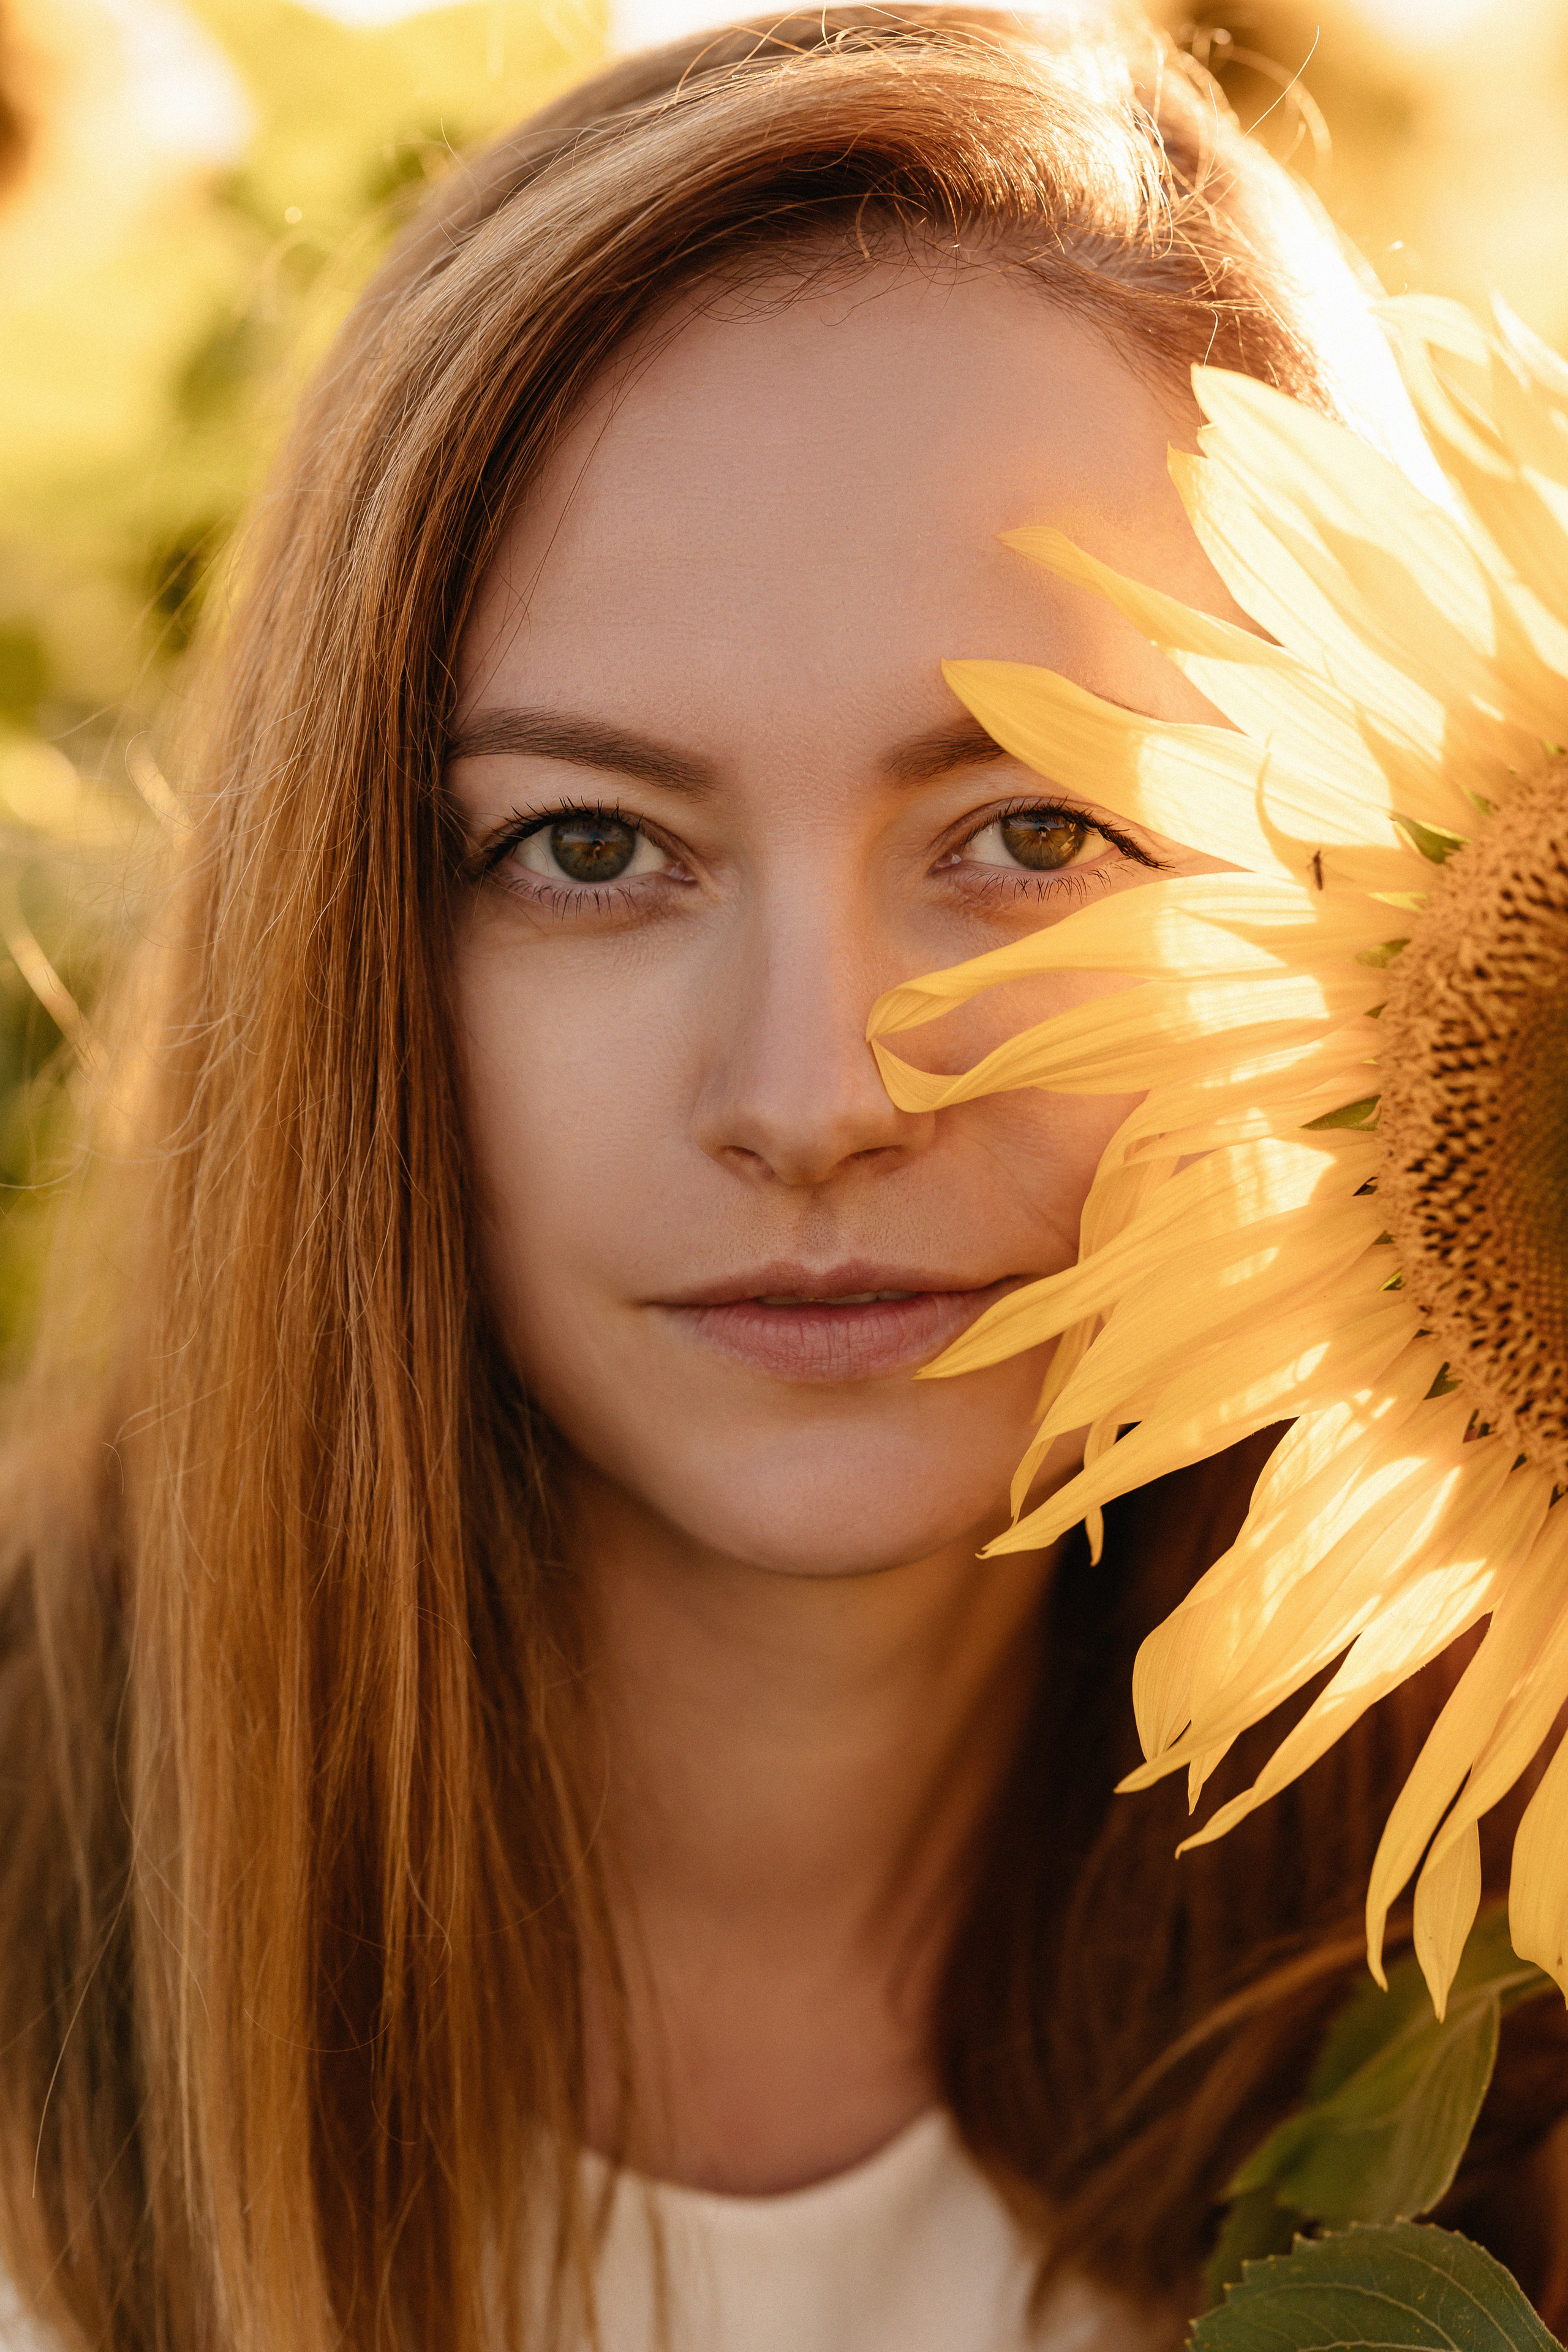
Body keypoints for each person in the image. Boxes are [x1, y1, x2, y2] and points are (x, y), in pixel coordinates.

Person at [0, 8, 1564, 2348]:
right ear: (354, 939)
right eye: (590, 846)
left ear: (1359, 906)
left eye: (1035, 836)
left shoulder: (1488, 2024)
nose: (818, 1089)